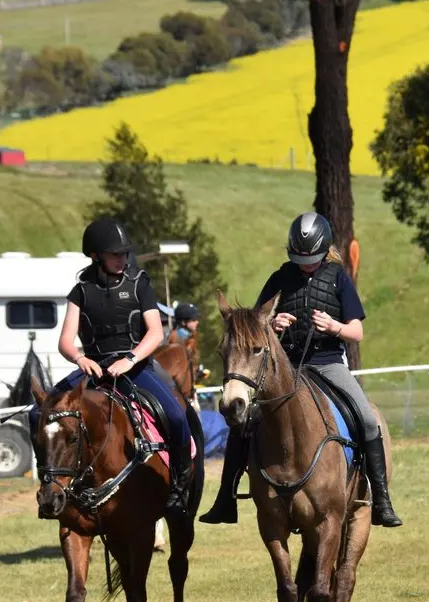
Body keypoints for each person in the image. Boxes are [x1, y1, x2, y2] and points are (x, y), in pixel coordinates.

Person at [199, 211, 402, 528]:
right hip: (287, 366)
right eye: (300, 257)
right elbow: (255, 327)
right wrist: (273, 325)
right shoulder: (279, 279)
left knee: (365, 418)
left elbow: (356, 332)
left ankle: (382, 501)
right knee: (246, 421)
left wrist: (334, 326)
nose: (305, 263)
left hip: (328, 363)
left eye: (312, 257)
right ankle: (225, 498)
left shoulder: (338, 278)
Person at [31, 218, 193, 513]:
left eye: (124, 254)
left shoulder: (139, 284)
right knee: (37, 413)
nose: (123, 259)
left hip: (135, 365)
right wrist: (81, 359)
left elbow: (155, 333)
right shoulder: (80, 290)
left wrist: (130, 359)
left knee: (177, 417)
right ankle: (51, 480)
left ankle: (180, 487)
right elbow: (66, 341)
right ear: (96, 256)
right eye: (115, 254)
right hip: (93, 366)